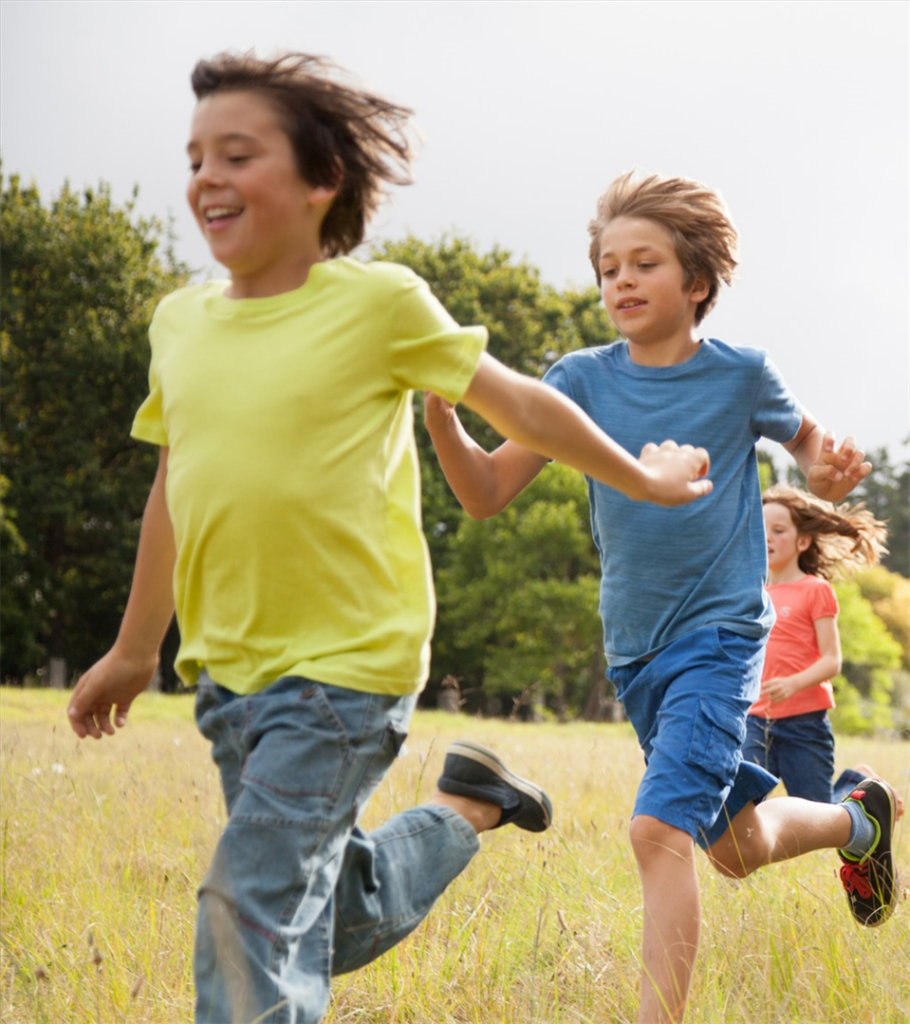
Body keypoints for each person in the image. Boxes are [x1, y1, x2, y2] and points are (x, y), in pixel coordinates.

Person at [65, 55, 714, 1024]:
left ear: (322, 179)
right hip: (229, 674)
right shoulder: (179, 324)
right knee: (317, 909)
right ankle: (467, 809)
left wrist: (644, 475)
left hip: (346, 671)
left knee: (246, 910)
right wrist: (130, 646)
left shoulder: (378, 305)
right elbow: (173, 485)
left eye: (237, 153)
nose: (205, 175)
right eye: (195, 155)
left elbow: (523, 405)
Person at [426, 171, 900, 1024]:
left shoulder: (741, 376)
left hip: (720, 641)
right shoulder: (577, 379)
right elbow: (486, 492)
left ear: (697, 282)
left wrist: (826, 468)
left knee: (656, 834)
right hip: (636, 653)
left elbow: (810, 454)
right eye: (608, 267)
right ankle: (860, 822)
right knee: (736, 849)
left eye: (644, 263)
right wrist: (442, 422)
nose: (622, 281)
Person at [743, 486, 888, 804]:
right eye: (761, 529)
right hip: (754, 719)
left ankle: (856, 782)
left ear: (803, 541)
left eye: (778, 531)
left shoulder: (815, 590)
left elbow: (832, 660)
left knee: (820, 815)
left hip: (805, 723)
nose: (767, 537)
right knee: (743, 807)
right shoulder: (752, 592)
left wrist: (793, 683)